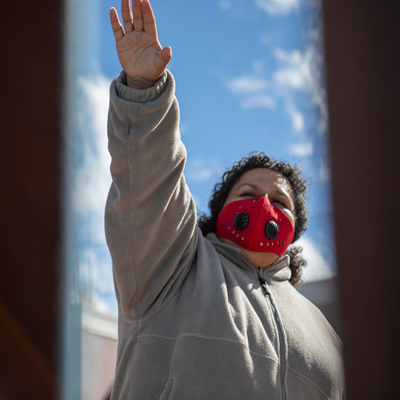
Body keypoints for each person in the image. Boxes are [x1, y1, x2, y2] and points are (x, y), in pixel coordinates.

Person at [106, 0, 345, 398]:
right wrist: (145, 91)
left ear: (295, 232)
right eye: (248, 193)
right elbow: (150, 183)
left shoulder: (325, 333)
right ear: (220, 213)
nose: (263, 206)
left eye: (280, 202)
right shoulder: (169, 270)